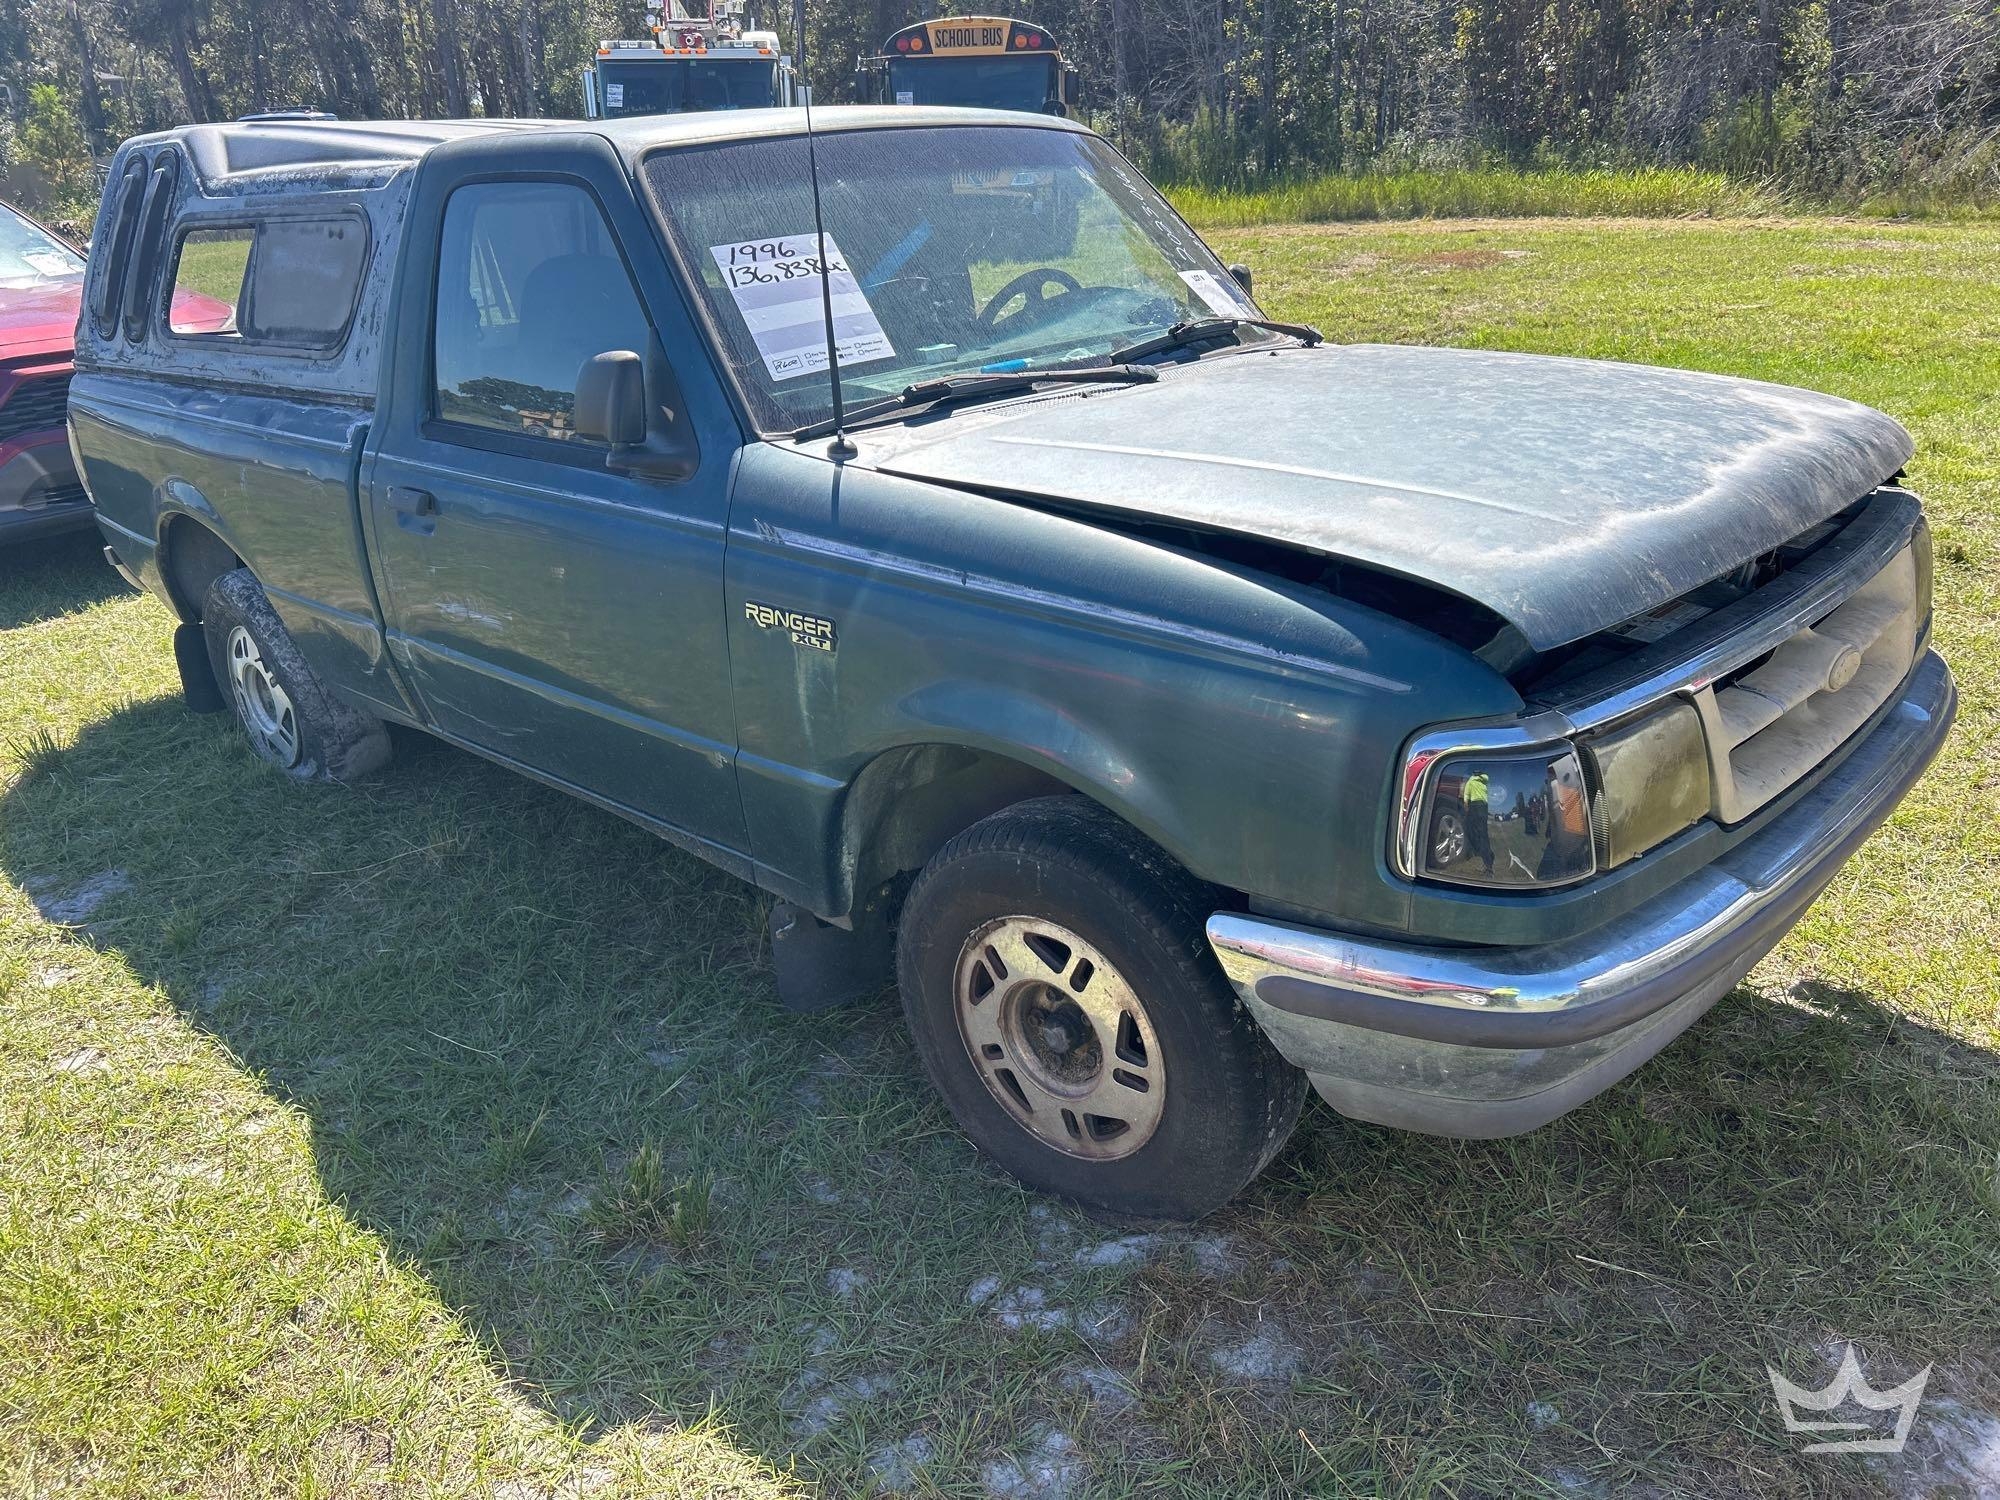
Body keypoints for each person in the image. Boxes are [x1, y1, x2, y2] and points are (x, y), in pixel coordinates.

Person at [1463, 769, 1494, 875]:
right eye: (1475, 772)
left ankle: (1487, 864)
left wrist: (1475, 776)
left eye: (1478, 772)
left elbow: (1486, 778)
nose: (1477, 774)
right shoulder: (1471, 781)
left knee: (1482, 834)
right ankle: (1481, 855)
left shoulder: (1482, 779)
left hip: (1480, 805)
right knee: (1472, 830)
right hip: (1476, 805)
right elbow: (1466, 794)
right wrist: (1466, 804)